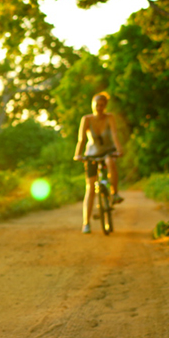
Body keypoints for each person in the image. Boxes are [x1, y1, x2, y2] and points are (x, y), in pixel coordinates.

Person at [73, 91, 123, 234]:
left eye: (102, 105)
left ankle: (115, 193)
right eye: (97, 105)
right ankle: (86, 223)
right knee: (90, 187)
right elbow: (81, 139)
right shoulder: (87, 119)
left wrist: (119, 150)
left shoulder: (110, 118)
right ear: (92, 105)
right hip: (92, 154)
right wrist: (77, 154)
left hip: (108, 151)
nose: (99, 107)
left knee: (110, 161)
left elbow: (114, 134)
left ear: (105, 106)